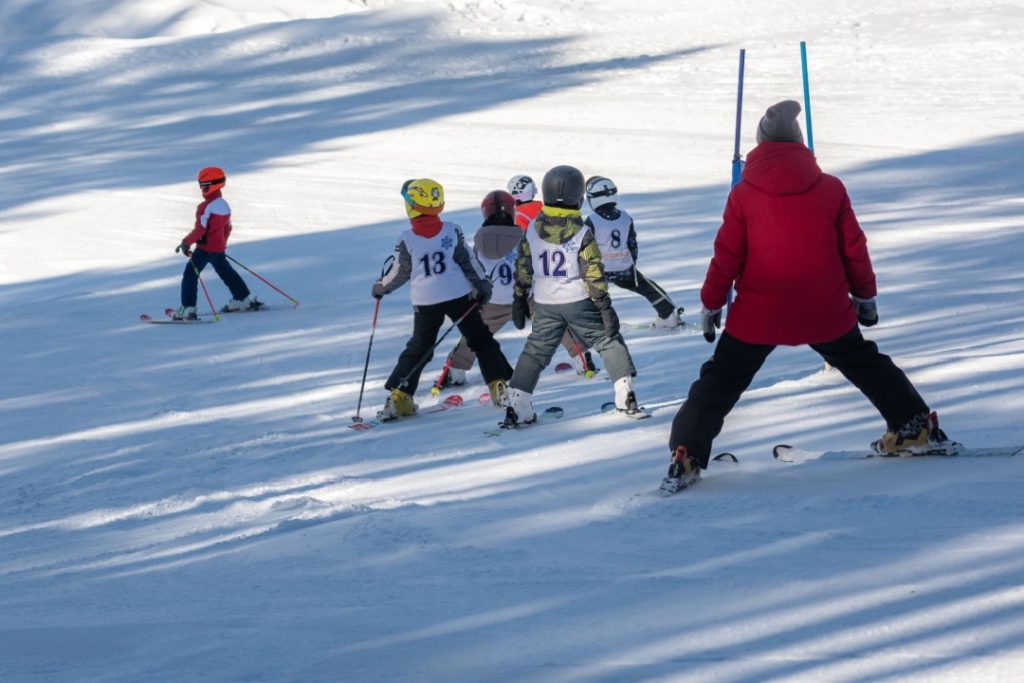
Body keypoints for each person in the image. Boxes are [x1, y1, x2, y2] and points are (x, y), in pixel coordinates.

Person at [662, 100, 958, 491]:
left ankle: (687, 453)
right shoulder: (830, 188)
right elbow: (854, 248)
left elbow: (727, 256)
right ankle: (914, 426)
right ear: (801, 143)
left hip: (759, 314)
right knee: (865, 363)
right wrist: (865, 297)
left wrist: (712, 302)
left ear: (760, 144)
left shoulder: (744, 195)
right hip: (825, 309)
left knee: (720, 380)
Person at [503, 165, 643, 427]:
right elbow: (592, 272)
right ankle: (626, 394)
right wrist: (604, 306)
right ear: (579, 198)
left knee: (535, 351)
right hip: (579, 301)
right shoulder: (581, 233)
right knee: (608, 340)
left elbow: (523, 267)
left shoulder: (531, 231)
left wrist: (520, 298)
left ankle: (518, 404)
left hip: (545, 304)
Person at [372, 178, 513, 420]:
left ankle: (400, 396)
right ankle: (498, 384)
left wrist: (381, 287)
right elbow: (468, 262)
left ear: (413, 207)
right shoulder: (452, 230)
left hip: (426, 302)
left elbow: (398, 272)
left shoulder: (407, 239)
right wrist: (483, 285)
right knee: (480, 339)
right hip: (458, 294)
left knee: (419, 347)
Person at [442, 190, 587, 387]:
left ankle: (456, 370)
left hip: (494, 301)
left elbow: (475, 271)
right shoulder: (525, 235)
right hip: (526, 298)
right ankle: (582, 358)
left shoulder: (479, 241)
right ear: (512, 211)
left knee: (475, 333)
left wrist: (475, 297)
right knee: (554, 322)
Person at [584, 175, 682, 328]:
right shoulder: (625, 218)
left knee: (584, 290)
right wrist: (631, 265)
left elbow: (585, 247)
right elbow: (632, 244)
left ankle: (587, 320)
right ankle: (668, 315)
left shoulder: (592, 220)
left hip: (600, 269)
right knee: (647, 286)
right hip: (624, 267)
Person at [174, 166, 262, 320]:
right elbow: (227, 228)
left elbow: (200, 230)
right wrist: (221, 245)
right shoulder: (224, 205)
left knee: (190, 275)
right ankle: (243, 299)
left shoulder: (205, 207)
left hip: (204, 249)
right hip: (217, 249)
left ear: (210, 185)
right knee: (227, 273)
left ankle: (188, 309)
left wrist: (186, 243)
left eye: (203, 185)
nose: (201, 189)